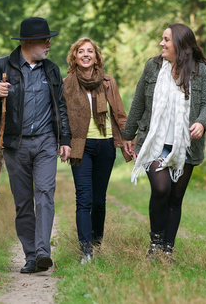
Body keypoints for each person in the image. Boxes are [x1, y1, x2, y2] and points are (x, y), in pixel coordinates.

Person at [0, 17, 71, 273]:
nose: (49, 45)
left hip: (45, 143)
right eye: (45, 40)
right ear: (30, 42)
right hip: (15, 146)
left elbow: (60, 106)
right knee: (23, 203)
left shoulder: (52, 69)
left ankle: (43, 252)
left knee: (44, 195)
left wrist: (64, 139)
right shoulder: (2, 66)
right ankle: (31, 256)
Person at [122, 23, 206, 263]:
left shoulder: (200, 70)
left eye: (166, 39)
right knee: (161, 189)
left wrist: (202, 123)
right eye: (162, 39)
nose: (161, 43)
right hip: (155, 142)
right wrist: (127, 135)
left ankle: (166, 250)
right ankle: (155, 242)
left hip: (185, 146)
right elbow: (138, 103)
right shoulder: (153, 67)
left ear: (180, 45)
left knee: (175, 198)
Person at [63, 37, 132, 264]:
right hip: (80, 146)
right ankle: (85, 251)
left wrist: (128, 140)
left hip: (105, 145)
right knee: (83, 199)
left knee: (99, 200)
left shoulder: (108, 82)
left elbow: (119, 114)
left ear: (96, 56)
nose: (85, 54)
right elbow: (61, 117)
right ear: (74, 56)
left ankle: (96, 244)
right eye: (80, 51)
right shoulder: (67, 83)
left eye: (89, 51)